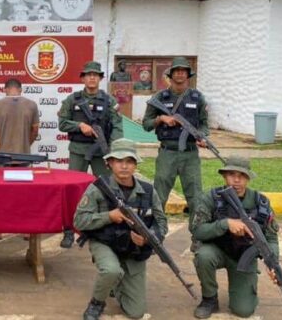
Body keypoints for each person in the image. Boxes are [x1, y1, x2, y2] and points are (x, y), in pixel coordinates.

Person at [74, 139, 167, 320]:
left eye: (129, 161)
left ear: (135, 164)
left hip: (134, 249)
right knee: (111, 270)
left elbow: (161, 222)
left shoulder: (148, 191)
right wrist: (109, 216)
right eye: (118, 161)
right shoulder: (98, 189)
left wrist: (149, 237)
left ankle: (116, 285)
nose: (124, 166)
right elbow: (79, 221)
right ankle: (96, 302)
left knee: (136, 312)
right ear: (109, 163)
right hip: (104, 242)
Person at [190, 156, 281, 319]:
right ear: (224, 176)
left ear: (248, 178)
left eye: (242, 176)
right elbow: (197, 230)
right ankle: (209, 299)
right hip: (217, 250)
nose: (236, 180)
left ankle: (246, 292)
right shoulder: (211, 198)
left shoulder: (261, 203)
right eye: (231, 174)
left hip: (244, 258)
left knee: (244, 310)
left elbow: (271, 239)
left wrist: (273, 263)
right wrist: (225, 224)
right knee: (203, 255)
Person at [58, 60, 123, 248]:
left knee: (108, 190)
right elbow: (62, 123)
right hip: (79, 150)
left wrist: (114, 149)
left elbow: (117, 126)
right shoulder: (72, 100)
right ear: (83, 78)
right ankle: (69, 230)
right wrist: (80, 125)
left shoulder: (109, 101)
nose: (92, 77)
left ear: (100, 78)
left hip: (101, 152)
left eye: (95, 75)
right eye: (88, 74)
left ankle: (105, 229)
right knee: (71, 190)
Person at [142, 56, 208, 211]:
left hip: (190, 153)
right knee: (159, 195)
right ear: (171, 75)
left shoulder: (197, 98)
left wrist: (202, 136)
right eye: (176, 71)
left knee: (196, 196)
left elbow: (204, 124)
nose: (179, 74)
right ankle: (154, 231)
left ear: (188, 75)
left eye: (183, 71)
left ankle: (198, 233)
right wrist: (161, 119)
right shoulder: (159, 98)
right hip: (167, 153)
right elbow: (146, 124)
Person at [0, 78, 39, 239]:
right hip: (24, 157)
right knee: (25, 195)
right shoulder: (32, 105)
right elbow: (35, 132)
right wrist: (24, 146)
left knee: (1, 194)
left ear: (5, 89)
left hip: (3, 158)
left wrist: (1, 147)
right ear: (21, 89)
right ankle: (26, 230)